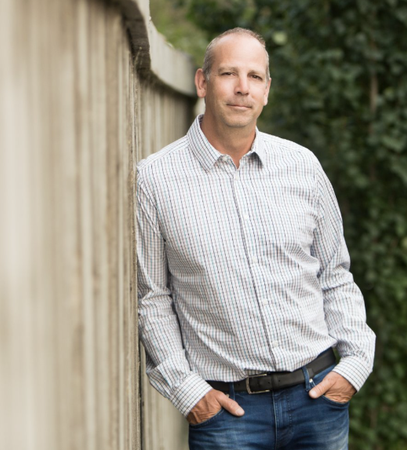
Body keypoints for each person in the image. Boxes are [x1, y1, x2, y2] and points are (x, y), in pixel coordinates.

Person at [135, 27, 376, 449]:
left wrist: (354, 364)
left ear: (266, 90)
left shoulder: (302, 166)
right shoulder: (155, 180)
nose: (242, 88)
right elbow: (152, 298)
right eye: (229, 73)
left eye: (255, 77)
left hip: (317, 401)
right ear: (202, 82)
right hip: (228, 416)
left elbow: (335, 275)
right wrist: (188, 392)